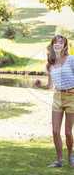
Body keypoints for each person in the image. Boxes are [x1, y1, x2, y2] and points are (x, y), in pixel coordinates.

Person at [36, 35, 74, 168]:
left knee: (68, 132)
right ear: (52, 45)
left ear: (65, 45)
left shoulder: (71, 59)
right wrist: (39, 85)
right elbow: (49, 86)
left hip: (71, 98)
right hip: (57, 97)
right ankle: (59, 160)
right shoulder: (50, 64)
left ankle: (70, 155)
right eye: (56, 42)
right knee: (55, 131)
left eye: (61, 42)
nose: (58, 44)